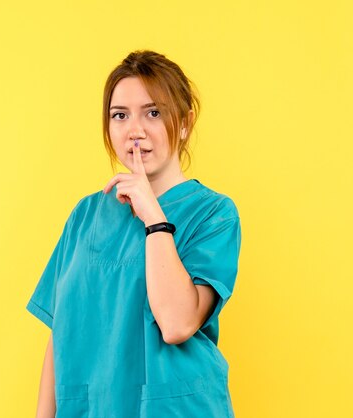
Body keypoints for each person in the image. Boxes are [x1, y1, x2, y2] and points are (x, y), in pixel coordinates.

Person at [26, 50, 242, 418]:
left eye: (153, 113)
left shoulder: (214, 214)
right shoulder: (86, 215)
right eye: (120, 115)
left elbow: (177, 324)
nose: (135, 130)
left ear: (185, 123)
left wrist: (153, 216)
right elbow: (59, 333)